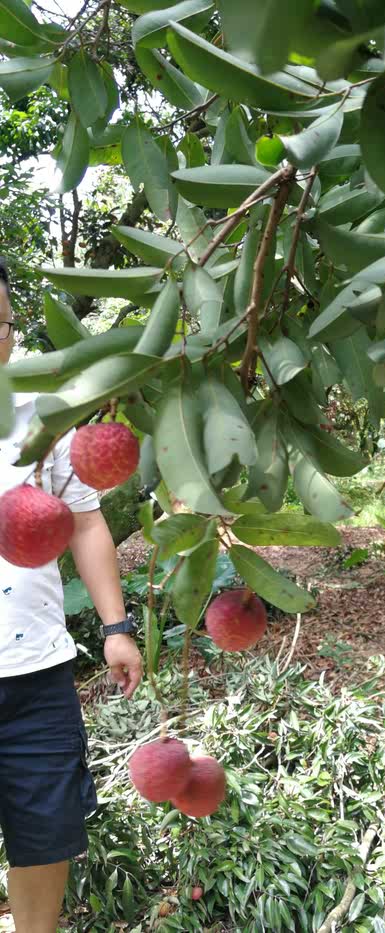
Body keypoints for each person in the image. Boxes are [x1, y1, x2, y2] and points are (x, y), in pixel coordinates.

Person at [0, 260, 144, 933]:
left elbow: (85, 520)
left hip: (37, 675)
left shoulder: (43, 410)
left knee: (46, 836)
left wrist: (115, 623)